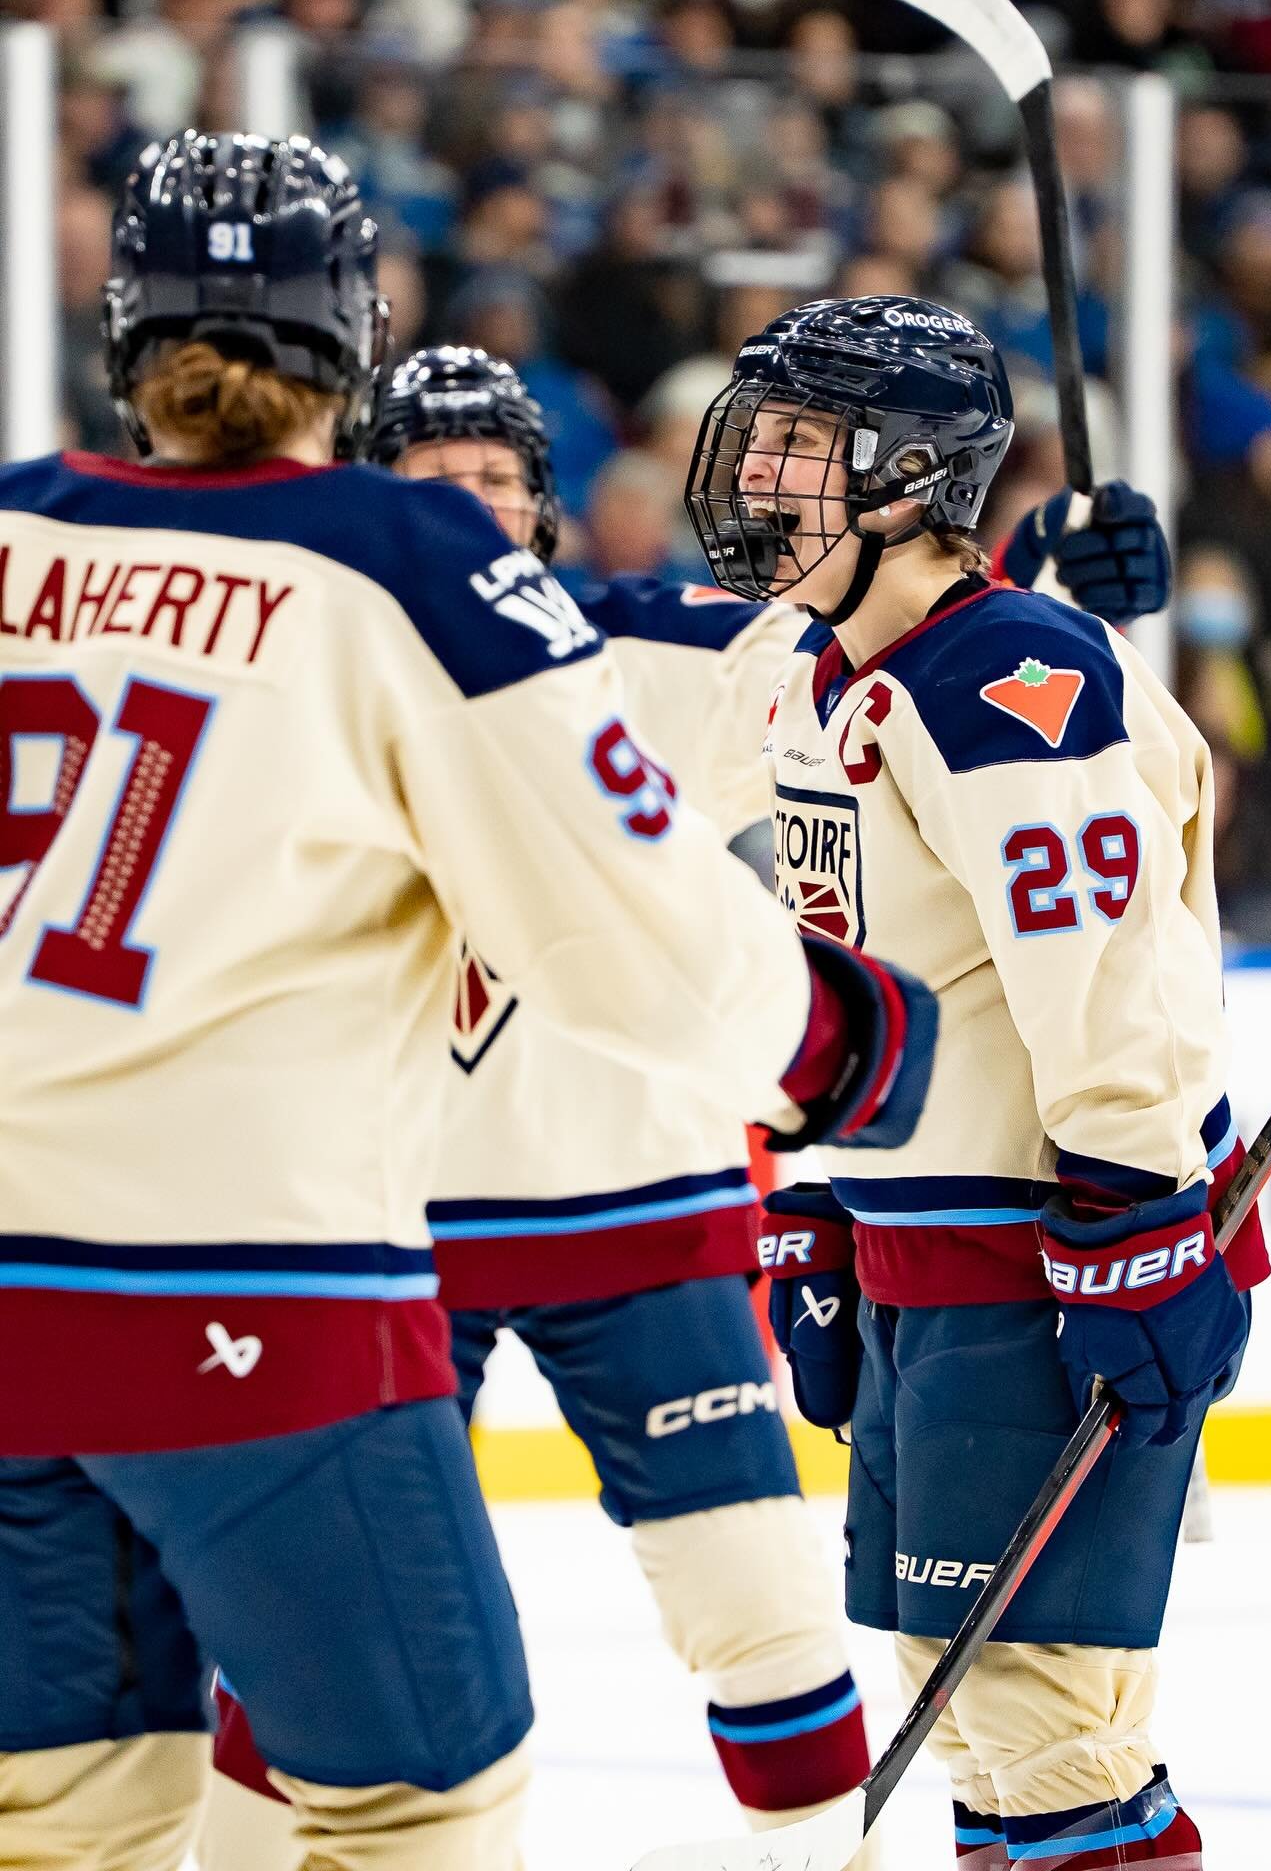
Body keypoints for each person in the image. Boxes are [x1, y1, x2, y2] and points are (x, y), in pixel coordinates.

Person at [0, 141, 937, 1871]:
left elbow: (837, 652)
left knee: (60, 1824)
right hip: (261, 1295)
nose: (472, 495)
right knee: (418, 1809)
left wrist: (1037, 593)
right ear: (350, 349)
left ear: (122, 322)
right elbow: (640, 921)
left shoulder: (15, 527)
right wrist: (841, 1044)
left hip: (46, 1291)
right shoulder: (404, 572)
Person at [200, 341, 1177, 1868]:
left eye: (495, 478)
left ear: (542, 506)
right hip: (391, 1233)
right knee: (317, 1631)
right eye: (424, 480)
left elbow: (1006, 751)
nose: (461, 506)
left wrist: (1068, 601)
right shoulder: (288, 680)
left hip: (668, 1226)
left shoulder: (675, 652)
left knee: (845, 1652)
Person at [687, 296, 1271, 1870]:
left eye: (806, 445)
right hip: (922, 1272)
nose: (762, 477)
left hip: (1044, 1262)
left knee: (1053, 1731)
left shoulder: (1007, 679)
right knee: (978, 1734)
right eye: (769, 439)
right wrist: (811, 1208)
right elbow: (844, 972)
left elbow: (1113, 996)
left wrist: (1143, 1227)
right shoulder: (825, 677)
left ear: (907, 479)